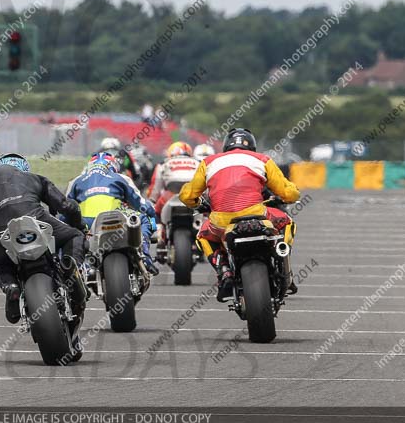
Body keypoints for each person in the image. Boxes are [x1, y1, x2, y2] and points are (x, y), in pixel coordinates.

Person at [179, 128, 300, 302]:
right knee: (287, 222)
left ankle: (224, 271)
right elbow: (288, 193)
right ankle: (283, 265)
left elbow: (187, 196)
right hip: (257, 215)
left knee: (203, 236)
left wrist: (198, 204)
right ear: (252, 146)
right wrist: (292, 194)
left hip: (221, 221)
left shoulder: (208, 162)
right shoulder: (263, 160)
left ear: (226, 146)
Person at [0, 153, 87, 324]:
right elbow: (66, 206)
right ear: (23, 169)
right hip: (36, 220)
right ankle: (71, 267)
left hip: (1, 233)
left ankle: (11, 286)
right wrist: (78, 226)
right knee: (75, 236)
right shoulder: (35, 179)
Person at [66, 152, 159, 276]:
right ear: (113, 166)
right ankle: (145, 256)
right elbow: (140, 203)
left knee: (66, 228)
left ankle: (77, 267)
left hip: (87, 222)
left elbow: (65, 207)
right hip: (115, 216)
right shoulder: (121, 177)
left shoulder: (76, 181)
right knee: (144, 218)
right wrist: (152, 212)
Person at [148, 141, 200, 217]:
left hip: (170, 194)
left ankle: (158, 227)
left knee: (154, 213)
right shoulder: (198, 162)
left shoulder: (164, 163)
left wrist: (151, 201)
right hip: (193, 196)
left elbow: (155, 188)